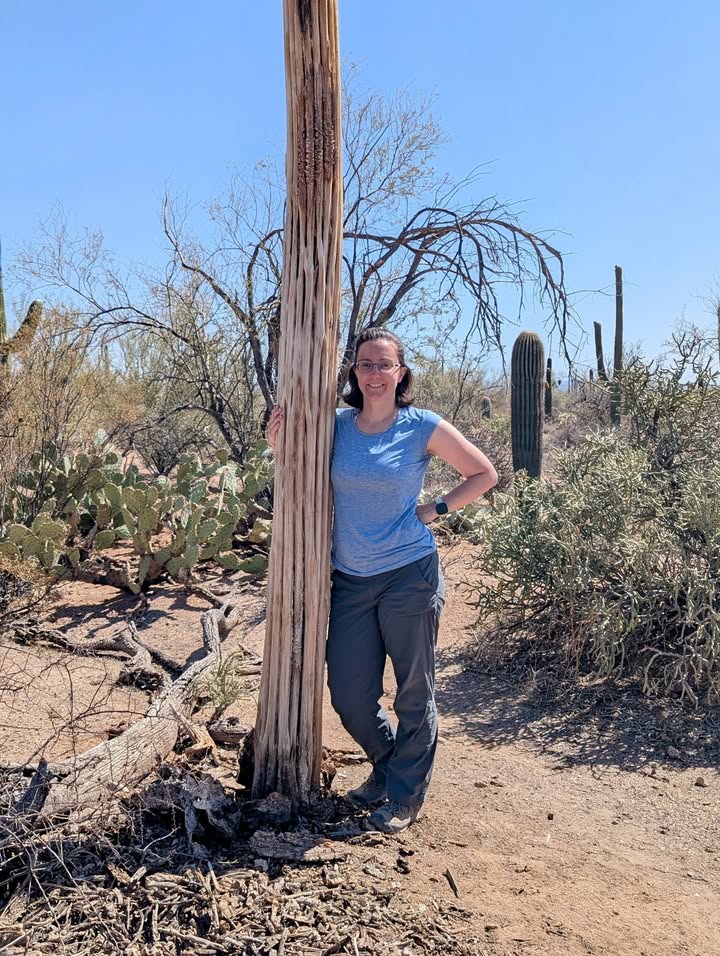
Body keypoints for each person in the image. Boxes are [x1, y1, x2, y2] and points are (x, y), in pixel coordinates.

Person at [267, 328, 497, 833]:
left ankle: (404, 797)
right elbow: (298, 467)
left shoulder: (421, 426)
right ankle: (388, 765)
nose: (374, 373)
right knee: (348, 690)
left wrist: (435, 509)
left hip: (408, 575)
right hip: (350, 577)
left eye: (384, 364)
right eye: (365, 364)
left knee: (414, 691)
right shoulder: (338, 426)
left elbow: (483, 473)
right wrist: (278, 438)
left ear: (401, 372)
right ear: (353, 372)